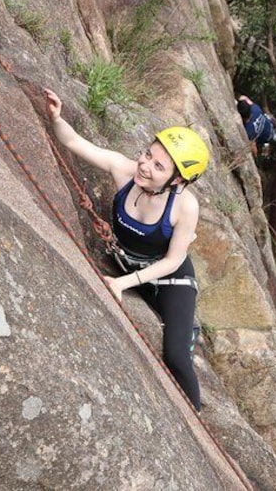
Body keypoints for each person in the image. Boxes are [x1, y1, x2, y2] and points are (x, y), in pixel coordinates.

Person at [43, 88, 207, 412]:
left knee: (175, 355)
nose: (145, 166)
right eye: (148, 154)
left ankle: (197, 413)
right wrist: (56, 117)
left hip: (169, 280)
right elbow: (75, 143)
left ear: (176, 181)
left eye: (159, 167)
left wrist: (120, 284)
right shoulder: (125, 170)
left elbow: (174, 260)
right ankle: (181, 324)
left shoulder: (185, 206)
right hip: (132, 267)